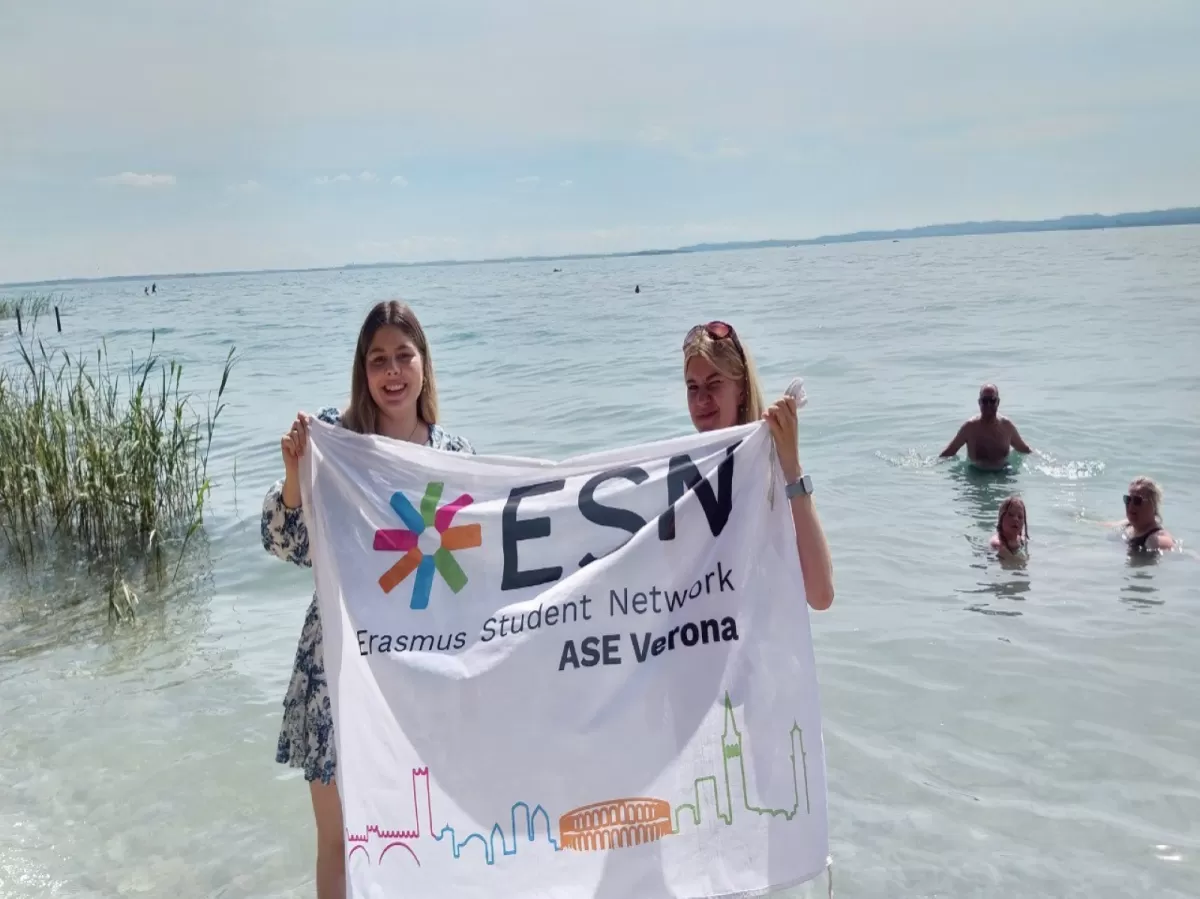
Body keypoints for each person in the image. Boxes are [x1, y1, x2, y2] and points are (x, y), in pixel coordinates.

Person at [260, 300, 475, 899]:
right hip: (338, 666)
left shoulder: (456, 459)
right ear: (363, 368)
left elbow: (480, 572)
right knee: (341, 838)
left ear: (425, 364)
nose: (392, 371)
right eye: (378, 359)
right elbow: (287, 543)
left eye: (404, 356)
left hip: (420, 669)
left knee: (419, 831)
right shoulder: (338, 440)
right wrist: (295, 471)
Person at [681, 320, 834, 611]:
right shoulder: (683, 477)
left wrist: (792, 468)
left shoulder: (770, 469)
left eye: (714, 384)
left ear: (741, 389)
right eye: (692, 387)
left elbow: (820, 594)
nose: (701, 399)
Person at [939, 383, 1032, 470]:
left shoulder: (1007, 427)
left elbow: (1024, 449)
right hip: (976, 476)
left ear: (998, 402)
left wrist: (1042, 460)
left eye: (992, 400)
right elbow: (948, 453)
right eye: (985, 401)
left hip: (1003, 475)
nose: (988, 405)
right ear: (979, 402)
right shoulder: (969, 428)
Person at [1119, 476, 1175, 552]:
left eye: (1137, 500)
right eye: (1128, 499)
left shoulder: (1155, 540)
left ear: (1153, 505)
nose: (1131, 505)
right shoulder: (1127, 525)